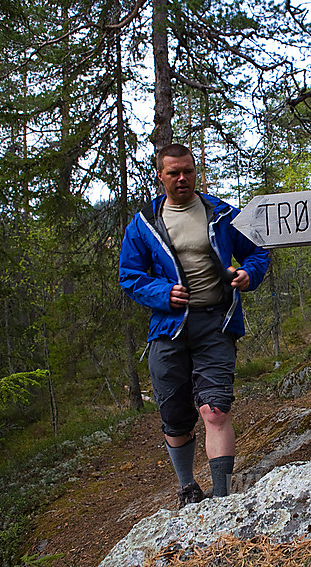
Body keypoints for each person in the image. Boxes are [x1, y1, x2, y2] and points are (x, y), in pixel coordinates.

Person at [119, 143, 270, 507]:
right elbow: (130, 275)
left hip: (216, 323)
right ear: (161, 176)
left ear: (195, 171)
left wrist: (250, 273)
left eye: (188, 170)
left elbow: (258, 251)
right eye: (173, 172)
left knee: (215, 408)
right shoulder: (143, 225)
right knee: (175, 416)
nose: (182, 178)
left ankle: (221, 498)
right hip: (168, 330)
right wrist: (162, 292)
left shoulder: (221, 213)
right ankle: (188, 487)